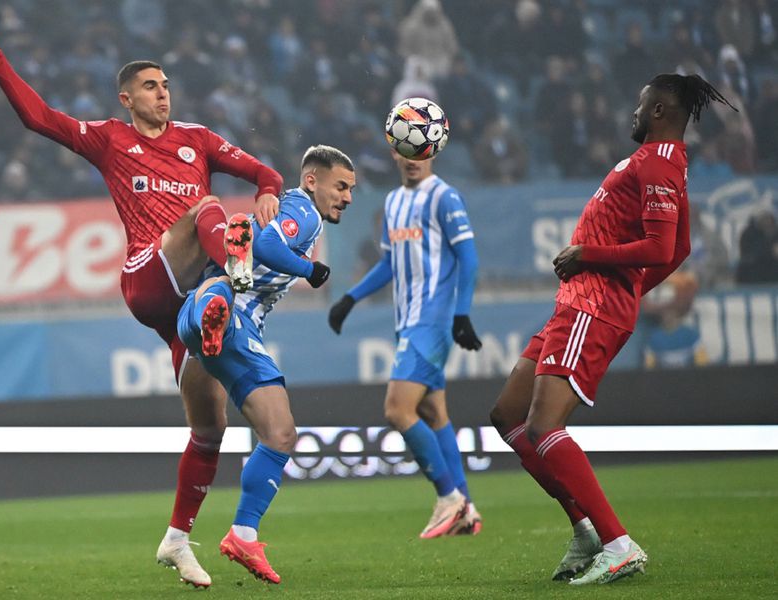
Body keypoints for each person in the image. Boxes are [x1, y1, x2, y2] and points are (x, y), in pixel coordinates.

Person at [0, 19, 283, 588]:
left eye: (167, 85)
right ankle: (238, 279)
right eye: (153, 86)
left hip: (187, 307)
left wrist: (267, 193)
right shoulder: (110, 138)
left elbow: (264, 170)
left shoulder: (199, 139)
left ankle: (177, 540)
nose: (164, 93)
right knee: (207, 208)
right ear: (127, 97)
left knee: (210, 429)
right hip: (148, 273)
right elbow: (39, 118)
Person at [488, 73, 736, 585]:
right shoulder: (660, 163)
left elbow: (662, 249)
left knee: (542, 427)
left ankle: (617, 543)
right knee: (507, 414)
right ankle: (583, 529)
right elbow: (681, 248)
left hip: (591, 305)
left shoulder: (659, 162)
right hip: (583, 302)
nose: (634, 112)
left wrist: (589, 258)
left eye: (641, 105)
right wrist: (628, 290)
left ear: (661, 112)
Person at [176, 145, 355, 584]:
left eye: (351, 189)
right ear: (312, 180)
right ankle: (220, 301)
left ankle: (209, 314)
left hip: (198, 324)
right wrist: (309, 269)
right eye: (341, 186)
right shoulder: (304, 211)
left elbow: (265, 238)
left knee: (278, 434)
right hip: (239, 322)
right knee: (228, 290)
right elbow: (272, 242)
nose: (347, 197)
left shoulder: (292, 207)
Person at [328, 150, 483, 539]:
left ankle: (448, 497)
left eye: (423, 151)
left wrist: (462, 313)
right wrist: (351, 298)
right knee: (433, 411)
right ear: (395, 152)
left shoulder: (444, 197)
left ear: (434, 151)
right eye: (408, 150)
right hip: (406, 322)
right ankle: (467, 507)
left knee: (398, 409)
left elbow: (469, 258)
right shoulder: (394, 202)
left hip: (433, 322)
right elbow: (389, 263)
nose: (415, 158)